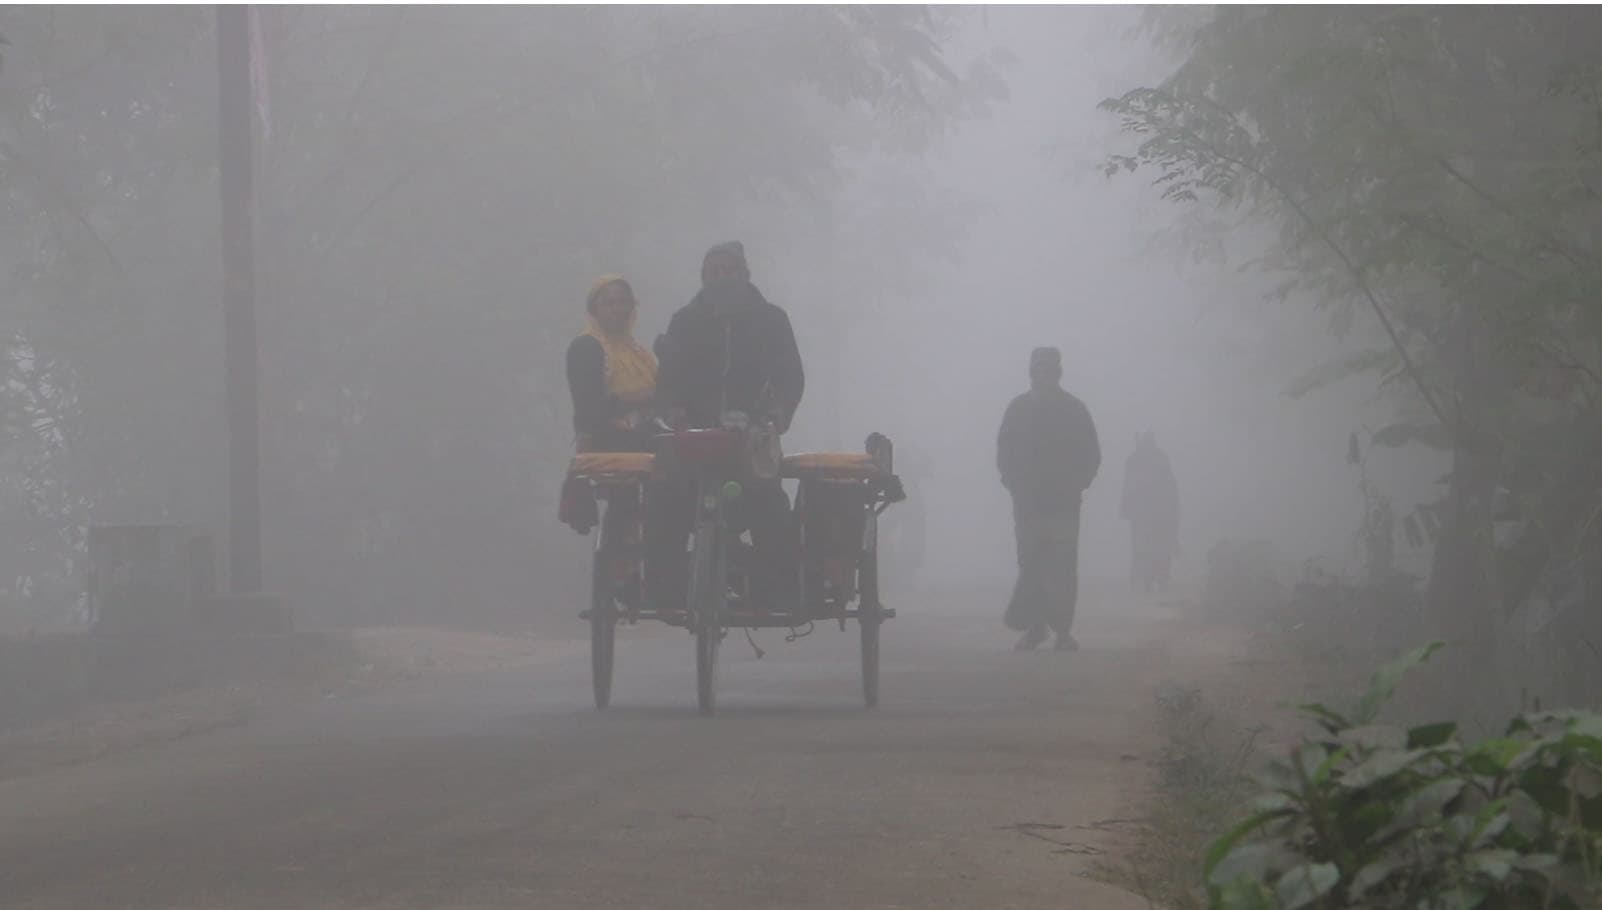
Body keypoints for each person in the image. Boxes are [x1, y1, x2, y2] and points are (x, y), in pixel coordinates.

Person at [654, 241, 805, 609]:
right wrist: (673, 409)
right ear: (703, 278)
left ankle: (777, 591)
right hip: (695, 434)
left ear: (745, 273)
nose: (721, 278)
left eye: (729, 270)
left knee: (769, 506)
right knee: (666, 501)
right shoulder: (684, 321)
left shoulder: (771, 319)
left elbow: (790, 376)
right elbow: (667, 376)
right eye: (713, 272)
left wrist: (779, 414)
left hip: (752, 433)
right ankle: (664, 589)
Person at [997, 347, 1101, 651]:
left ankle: (1063, 631)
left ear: (1057, 373)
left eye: (1047, 370)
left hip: (1064, 505)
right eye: (1037, 370)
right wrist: (1013, 483)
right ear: (1031, 373)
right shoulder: (1017, 409)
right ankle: (1036, 627)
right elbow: (1004, 452)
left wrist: (1077, 484)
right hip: (1028, 504)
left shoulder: (1074, 409)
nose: (1041, 375)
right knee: (1030, 565)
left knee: (1063, 568)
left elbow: (1091, 454)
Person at [565, 275, 658, 453]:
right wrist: (639, 397)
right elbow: (589, 409)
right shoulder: (587, 346)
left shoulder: (639, 352)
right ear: (594, 310)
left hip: (645, 447)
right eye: (609, 303)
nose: (618, 309)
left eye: (624, 302)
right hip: (608, 452)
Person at [1120, 430, 1180, 593]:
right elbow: (1170, 486)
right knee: (1158, 545)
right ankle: (1158, 578)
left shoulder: (1134, 460)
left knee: (1144, 546)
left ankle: (1148, 579)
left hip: (1143, 513)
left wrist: (1127, 510)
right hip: (1157, 512)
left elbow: (1128, 487)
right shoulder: (1159, 458)